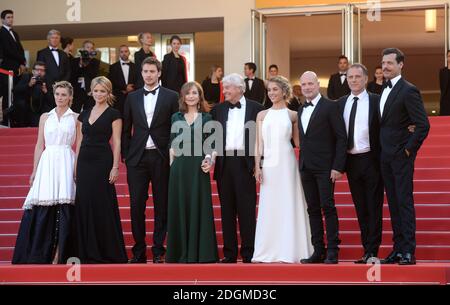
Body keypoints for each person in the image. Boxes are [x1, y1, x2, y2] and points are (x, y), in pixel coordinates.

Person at [12, 81, 77, 264]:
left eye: (64, 95)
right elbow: (39, 145)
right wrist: (34, 170)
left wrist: (76, 168)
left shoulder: (76, 118)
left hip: (66, 159)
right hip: (47, 162)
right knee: (44, 204)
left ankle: (60, 253)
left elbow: (79, 147)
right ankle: (40, 253)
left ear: (70, 97)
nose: (60, 98)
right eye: (57, 94)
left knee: (65, 205)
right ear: (53, 95)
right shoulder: (44, 117)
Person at [122, 57, 179, 264]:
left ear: (159, 73)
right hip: (137, 158)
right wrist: (127, 156)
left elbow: (176, 127)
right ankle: (138, 251)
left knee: (161, 204)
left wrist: (173, 154)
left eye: (152, 71)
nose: (148, 75)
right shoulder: (132, 97)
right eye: (145, 71)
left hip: (162, 156)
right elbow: (126, 128)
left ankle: (158, 250)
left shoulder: (171, 96)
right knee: (136, 204)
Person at [252, 76, 313, 263]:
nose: (271, 93)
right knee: (270, 205)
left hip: (287, 162)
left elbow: (298, 143)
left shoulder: (292, 115)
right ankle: (268, 249)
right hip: (269, 163)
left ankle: (291, 249)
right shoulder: (262, 115)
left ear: (284, 92)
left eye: (275, 90)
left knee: (288, 202)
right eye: (269, 90)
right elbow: (258, 145)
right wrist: (257, 167)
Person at [378, 48, 430, 265]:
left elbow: (422, 124)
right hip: (385, 157)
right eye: (383, 63)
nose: (385, 66)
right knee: (394, 204)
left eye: (390, 63)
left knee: (404, 202)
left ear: (401, 65)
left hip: (400, 156)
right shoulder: (383, 89)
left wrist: (408, 150)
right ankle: (398, 249)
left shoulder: (409, 90)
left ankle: (408, 250)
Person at [71, 76, 127, 264]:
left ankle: (106, 250)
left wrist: (115, 166)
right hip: (85, 162)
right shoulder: (83, 115)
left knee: (102, 203)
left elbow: (117, 141)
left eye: (103, 91)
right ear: (91, 92)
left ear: (108, 92)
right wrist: (76, 166)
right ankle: (85, 250)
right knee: (84, 203)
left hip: (103, 161)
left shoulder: (114, 114)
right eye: (96, 90)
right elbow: (78, 142)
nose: (99, 94)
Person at [210, 73, 264, 263]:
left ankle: (249, 253)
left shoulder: (257, 108)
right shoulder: (218, 109)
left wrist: (260, 163)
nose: (224, 91)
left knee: (247, 210)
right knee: (227, 210)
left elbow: (262, 138)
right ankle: (230, 253)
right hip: (225, 162)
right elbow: (213, 137)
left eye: (228, 88)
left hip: (245, 162)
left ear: (240, 88)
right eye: (224, 88)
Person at [166, 81, 219, 263]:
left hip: (198, 168)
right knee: (179, 207)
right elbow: (172, 145)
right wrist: (172, 164)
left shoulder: (207, 118)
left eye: (194, 93)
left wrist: (209, 161)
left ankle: (201, 253)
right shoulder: (176, 118)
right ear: (182, 96)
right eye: (187, 93)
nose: (190, 96)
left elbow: (212, 145)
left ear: (200, 96)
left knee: (200, 207)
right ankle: (179, 253)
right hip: (179, 169)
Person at [298, 71, 347, 264]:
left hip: (326, 167)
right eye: (304, 85)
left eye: (310, 84)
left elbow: (341, 138)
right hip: (306, 167)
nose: (307, 87)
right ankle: (318, 250)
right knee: (312, 209)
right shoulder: (302, 109)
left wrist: (338, 166)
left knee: (328, 207)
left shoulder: (331, 107)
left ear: (318, 84)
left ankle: (333, 250)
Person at [337, 63, 383, 264]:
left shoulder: (376, 101)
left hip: (371, 159)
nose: (353, 80)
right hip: (351, 161)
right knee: (360, 207)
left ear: (365, 79)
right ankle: (367, 249)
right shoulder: (340, 103)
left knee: (373, 207)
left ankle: (372, 250)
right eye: (350, 77)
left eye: (357, 76)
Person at [0, 9, 26, 126]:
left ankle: (14, 121)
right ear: (2, 20)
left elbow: (20, 49)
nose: (11, 19)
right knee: (7, 95)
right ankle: (6, 122)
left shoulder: (15, 33)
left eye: (12, 17)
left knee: (15, 95)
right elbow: (7, 51)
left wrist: (23, 62)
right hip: (6, 70)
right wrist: (21, 59)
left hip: (16, 70)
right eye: (8, 17)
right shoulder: (1, 33)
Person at [36, 29, 71, 108]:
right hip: (47, 87)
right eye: (53, 38)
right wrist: (47, 83)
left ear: (59, 40)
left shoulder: (64, 54)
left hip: (62, 87)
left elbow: (68, 70)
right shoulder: (42, 53)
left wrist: (63, 83)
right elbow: (40, 70)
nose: (55, 40)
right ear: (48, 39)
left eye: (57, 38)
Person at [12, 61, 51, 127]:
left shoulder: (47, 80)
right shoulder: (26, 77)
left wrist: (46, 91)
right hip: (28, 108)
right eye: (37, 70)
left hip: (41, 109)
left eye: (42, 70)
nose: (39, 72)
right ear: (33, 71)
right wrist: (29, 85)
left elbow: (52, 100)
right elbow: (15, 90)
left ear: (44, 72)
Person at [71, 40, 100, 113]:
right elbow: (73, 75)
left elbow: (93, 75)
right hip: (76, 91)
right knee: (75, 112)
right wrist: (80, 64)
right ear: (83, 49)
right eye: (87, 47)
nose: (89, 49)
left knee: (88, 113)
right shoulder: (74, 61)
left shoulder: (95, 62)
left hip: (89, 91)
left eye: (91, 48)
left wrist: (88, 62)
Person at [109, 45, 137, 115]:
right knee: (118, 118)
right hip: (118, 98)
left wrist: (132, 88)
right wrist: (124, 87)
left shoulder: (135, 67)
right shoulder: (113, 67)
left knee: (132, 118)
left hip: (132, 97)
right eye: (121, 52)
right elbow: (112, 82)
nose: (124, 53)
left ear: (129, 52)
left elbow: (138, 80)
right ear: (119, 53)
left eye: (126, 51)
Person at [439, 50, 450, 116]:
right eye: (449, 56)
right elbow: (442, 86)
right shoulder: (442, 71)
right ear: (447, 58)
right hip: (445, 100)